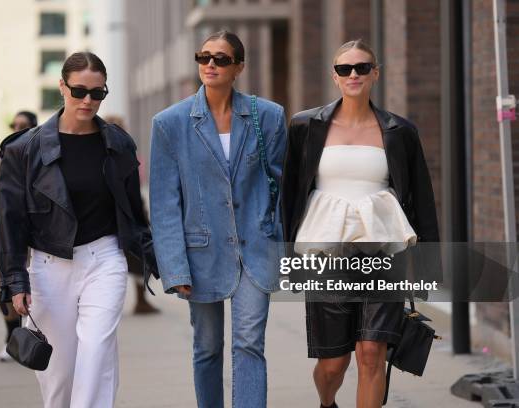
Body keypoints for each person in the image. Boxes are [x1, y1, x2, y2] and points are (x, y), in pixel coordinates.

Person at [281, 39, 439, 408]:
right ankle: (327, 403)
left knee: (371, 352)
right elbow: (289, 196)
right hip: (325, 255)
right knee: (333, 364)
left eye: (362, 67)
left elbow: (422, 201)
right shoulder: (305, 126)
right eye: (344, 69)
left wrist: (429, 265)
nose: (353, 74)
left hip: (383, 252)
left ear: (375, 74)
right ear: (334, 76)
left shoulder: (400, 131)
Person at [0, 51, 157, 407]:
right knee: (59, 375)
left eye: (97, 93)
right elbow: (9, 221)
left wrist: (160, 259)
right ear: (62, 87)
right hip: (49, 267)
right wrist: (15, 280)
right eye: (79, 91)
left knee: (97, 352)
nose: (87, 100)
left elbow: (134, 212)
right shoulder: (23, 150)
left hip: (105, 259)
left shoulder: (119, 144)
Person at [149, 30, 287, 408]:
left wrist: (282, 248)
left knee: (249, 344)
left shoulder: (269, 117)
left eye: (221, 58)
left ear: (239, 67)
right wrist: (175, 269)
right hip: (201, 255)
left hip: (255, 251)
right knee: (207, 349)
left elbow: (281, 188)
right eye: (204, 56)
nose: (210, 64)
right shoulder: (169, 123)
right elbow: (164, 204)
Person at [0, 111, 38, 362]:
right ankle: (12, 338)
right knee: (5, 280)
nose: (17, 127)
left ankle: (32, 335)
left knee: (33, 281)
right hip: (2, 229)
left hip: (34, 228)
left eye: (23, 124)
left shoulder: (39, 148)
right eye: (15, 124)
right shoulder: (2, 153)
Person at [103, 114, 159, 315]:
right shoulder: (102, 153)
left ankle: (141, 301)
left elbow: (134, 189)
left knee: (140, 258)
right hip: (113, 220)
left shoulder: (126, 149)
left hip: (131, 217)